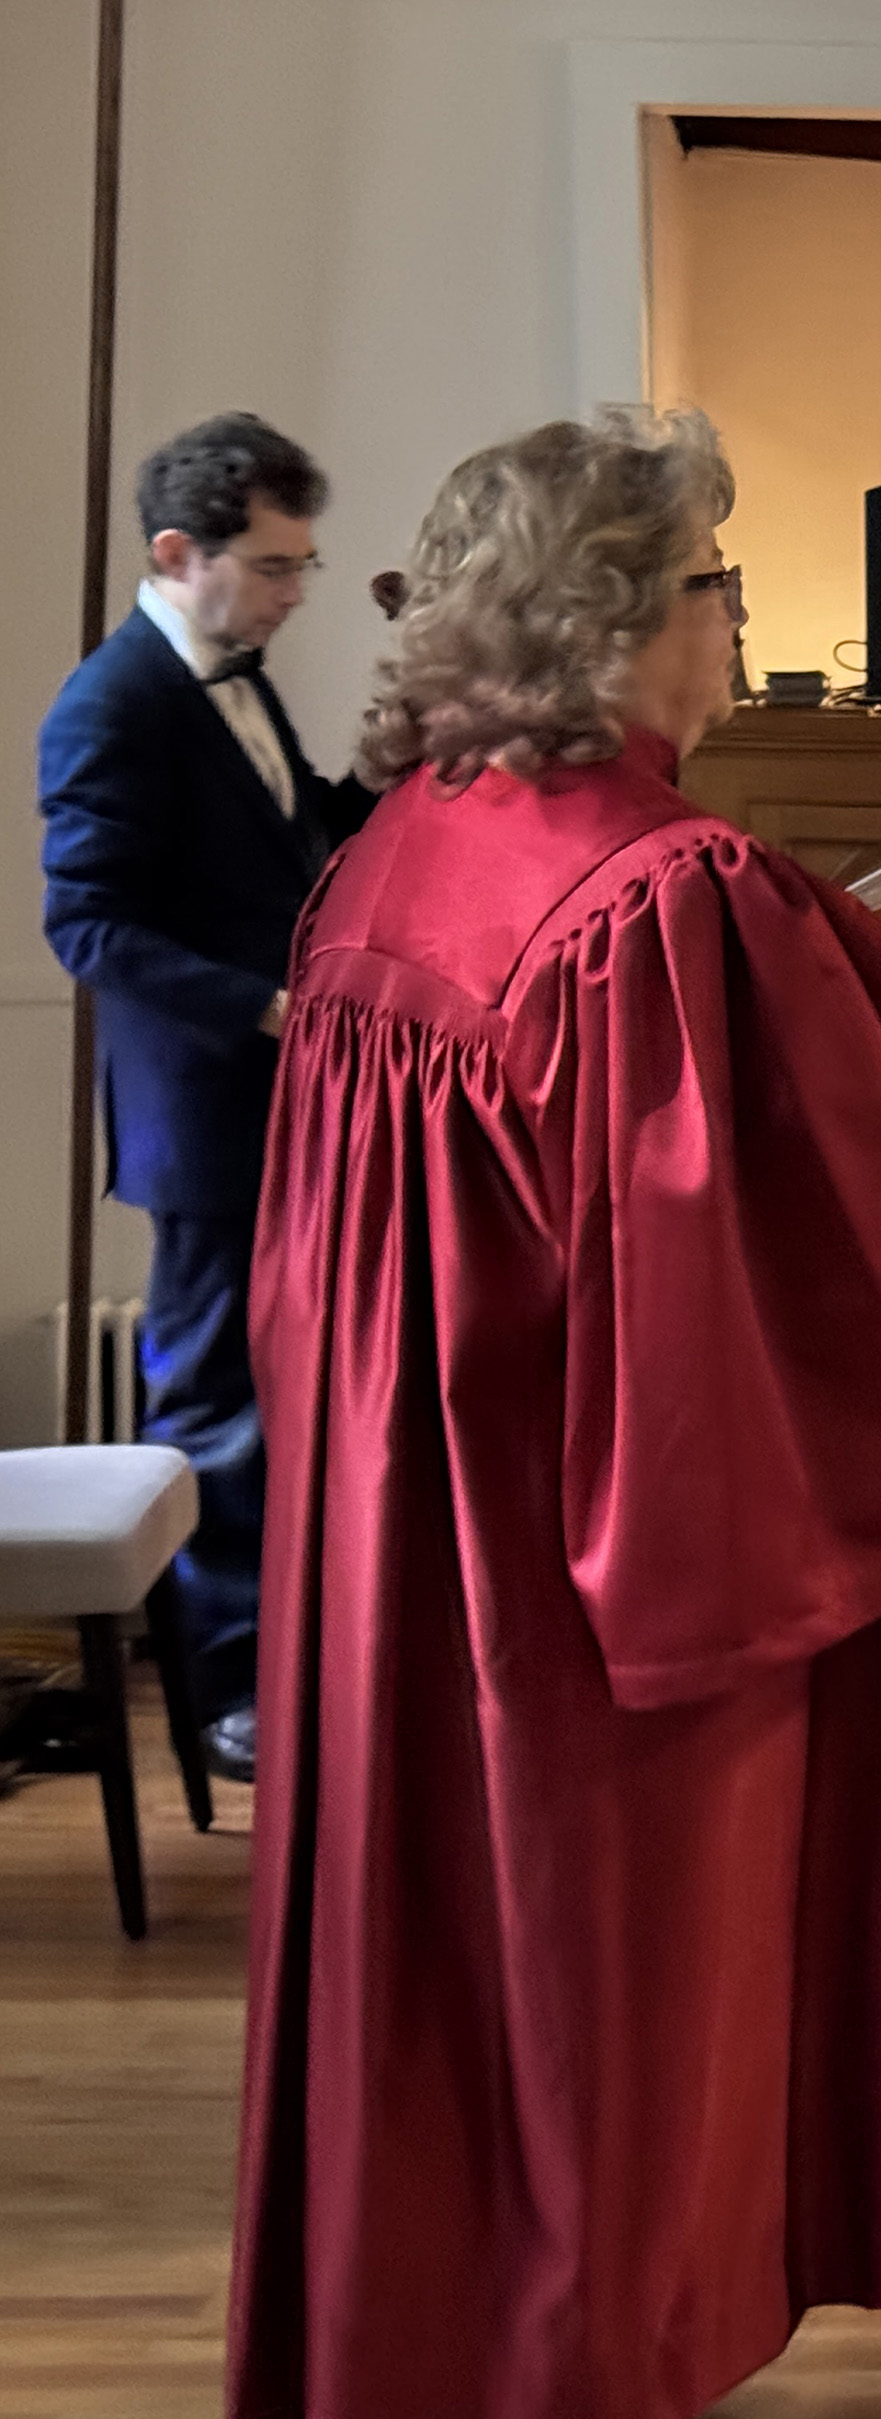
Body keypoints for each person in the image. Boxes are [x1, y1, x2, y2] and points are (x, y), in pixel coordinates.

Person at [225, 407, 881, 2419]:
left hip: (395, 1562)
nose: (739, 618)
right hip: (579, 1610)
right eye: (719, 581)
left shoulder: (388, 861)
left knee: (424, 2020)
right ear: (618, 614)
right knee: (595, 2058)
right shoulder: (659, 894)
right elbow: (880, 1240)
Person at [36, 413, 379, 1782]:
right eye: (276, 565)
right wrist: (265, 1005)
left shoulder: (240, 677)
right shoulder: (112, 703)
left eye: (302, 564)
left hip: (275, 1104)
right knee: (216, 1410)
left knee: (271, 1395)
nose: (297, 592)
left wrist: (378, 784)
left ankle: (275, 1667)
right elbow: (88, 926)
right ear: (179, 553)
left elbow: (289, 848)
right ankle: (225, 1693)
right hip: (203, 1120)